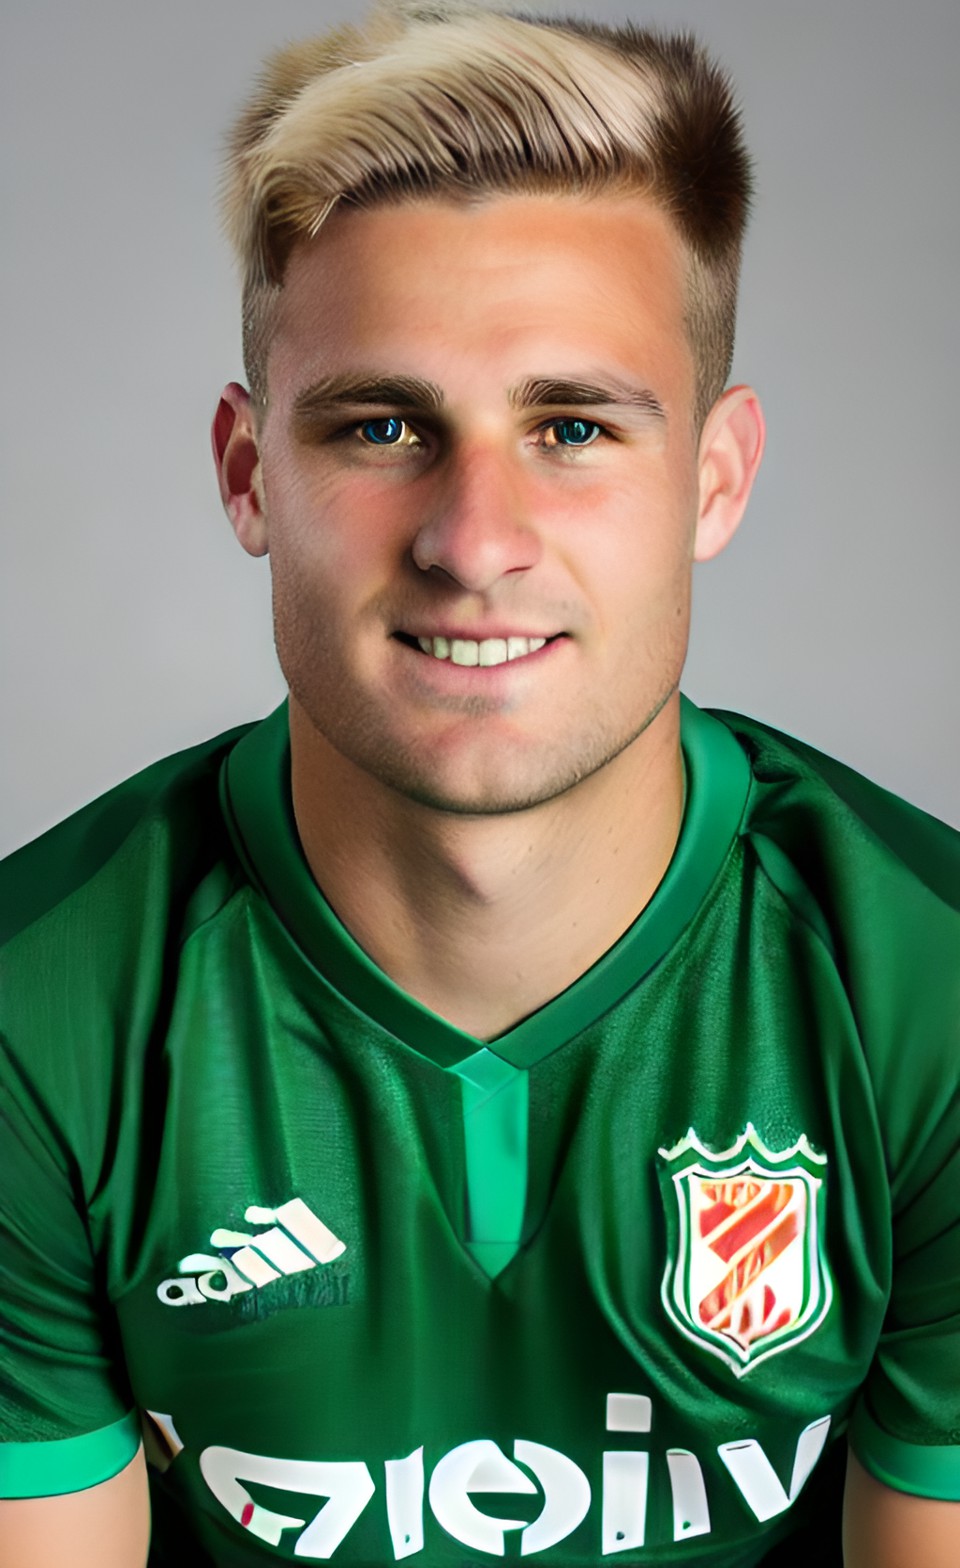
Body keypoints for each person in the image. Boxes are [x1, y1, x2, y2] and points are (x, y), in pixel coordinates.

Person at [1, 4, 957, 1564]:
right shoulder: (35, 1017)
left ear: (714, 480)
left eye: (572, 427)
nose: (474, 540)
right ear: (250, 475)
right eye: (383, 427)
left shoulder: (926, 997)